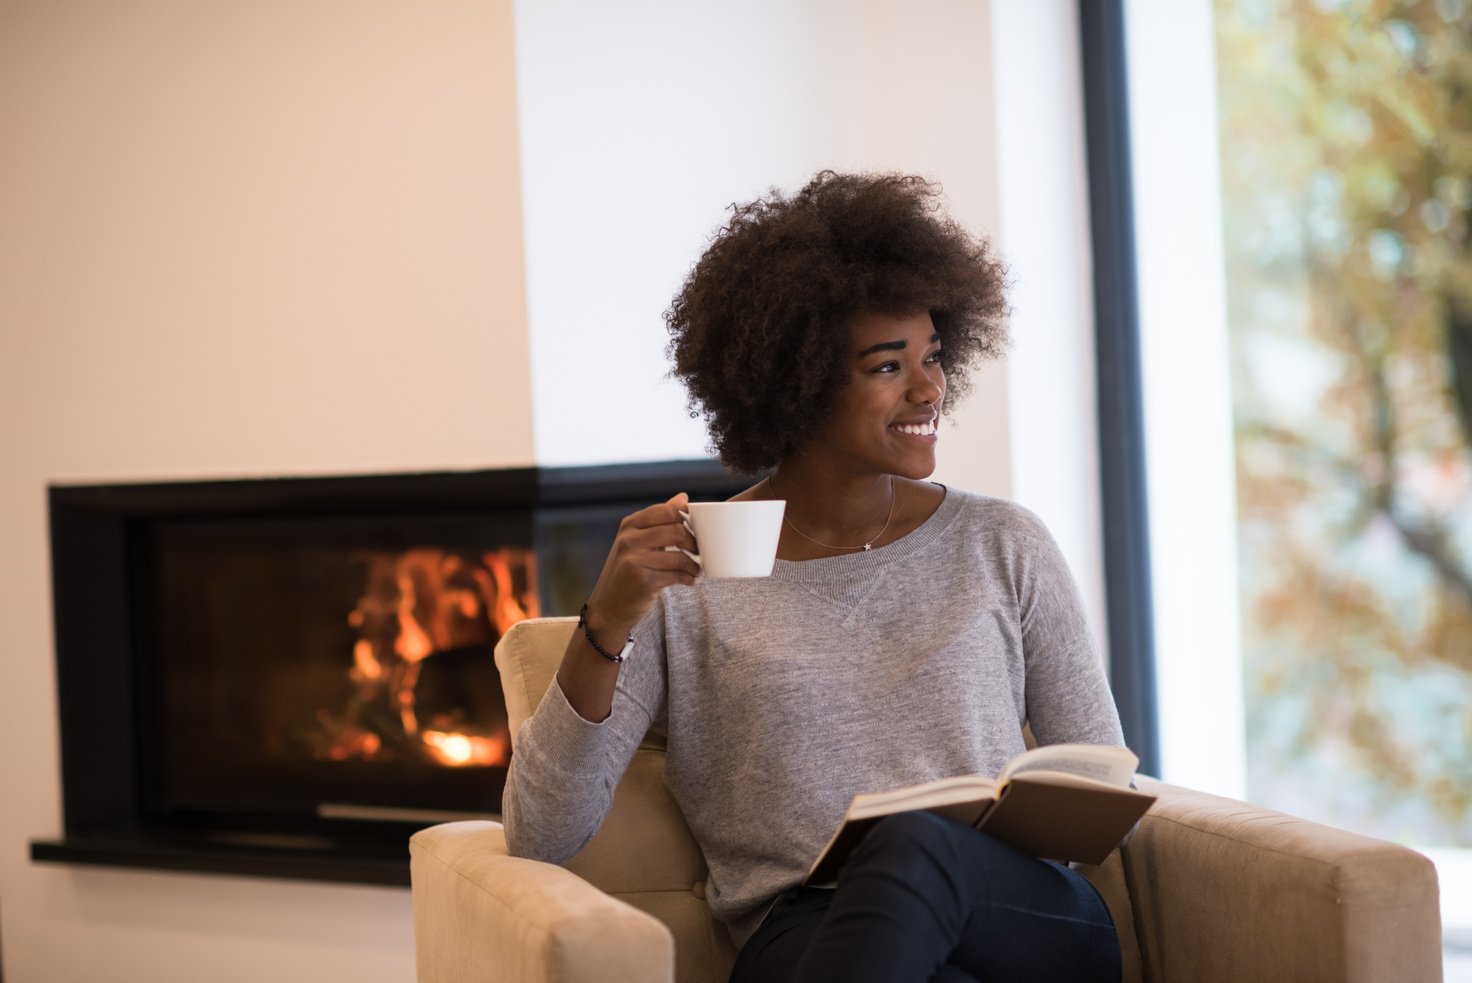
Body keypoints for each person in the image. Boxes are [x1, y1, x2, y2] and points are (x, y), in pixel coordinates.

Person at [502, 171, 1125, 982]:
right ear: (796, 382)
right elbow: (540, 832)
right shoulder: (686, 579)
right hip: (806, 929)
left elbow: (1102, 779)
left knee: (914, 848)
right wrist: (606, 623)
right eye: (886, 365)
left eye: (932, 357)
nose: (930, 387)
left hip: (1020, 915)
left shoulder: (1003, 542)